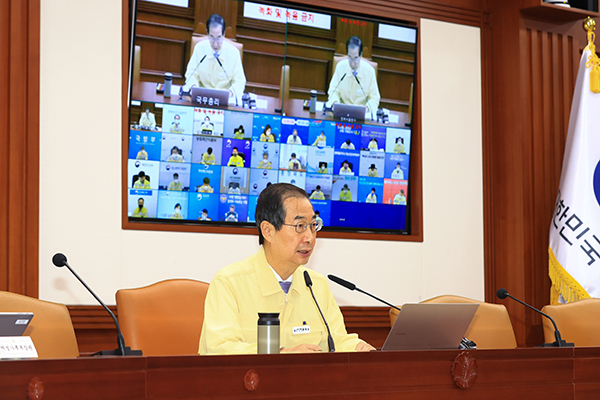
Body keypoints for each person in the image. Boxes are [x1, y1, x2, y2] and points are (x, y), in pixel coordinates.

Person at [199, 183, 374, 354]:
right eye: (300, 226)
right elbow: (220, 349)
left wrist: (359, 349)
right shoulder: (229, 283)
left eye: (313, 226)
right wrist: (283, 353)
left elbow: (337, 341)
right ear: (268, 231)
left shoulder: (316, 285)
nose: (310, 238)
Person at [184, 14, 246, 101]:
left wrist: (230, 93)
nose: (215, 44)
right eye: (212, 37)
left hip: (225, 101)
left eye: (219, 38)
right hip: (201, 99)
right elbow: (191, 74)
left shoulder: (234, 53)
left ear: (224, 34)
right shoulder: (199, 48)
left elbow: (240, 81)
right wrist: (194, 88)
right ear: (207, 33)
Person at [327, 36, 380, 113]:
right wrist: (335, 103)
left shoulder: (370, 71)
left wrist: (367, 108)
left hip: (362, 114)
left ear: (361, 55)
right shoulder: (340, 67)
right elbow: (333, 91)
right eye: (350, 57)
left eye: (355, 58)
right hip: (342, 112)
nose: (352, 63)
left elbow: (375, 98)